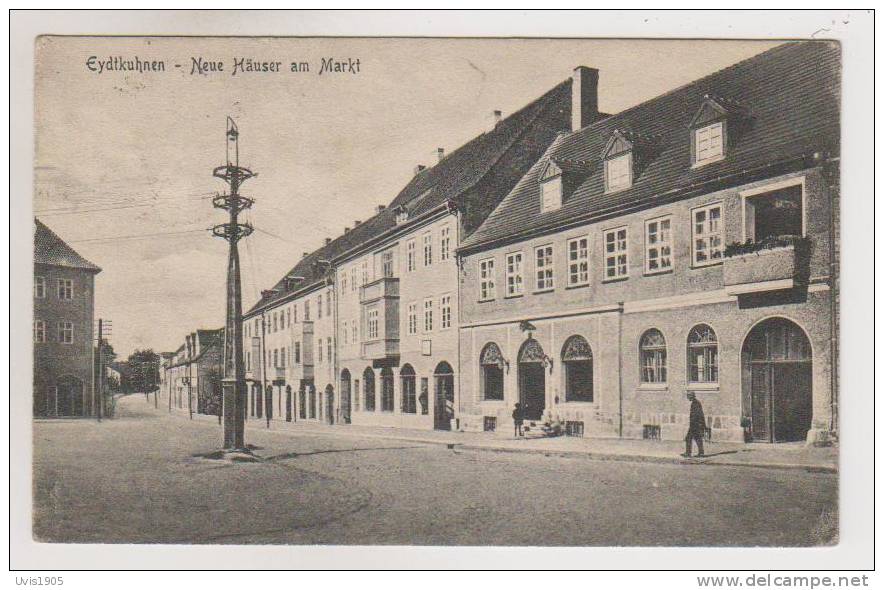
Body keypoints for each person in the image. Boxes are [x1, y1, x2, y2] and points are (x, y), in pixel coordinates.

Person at [682, 391, 706, 458]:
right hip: (696, 424)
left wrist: (698, 425)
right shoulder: (695, 403)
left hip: (695, 425)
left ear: (691, 396)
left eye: (688, 396)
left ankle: (688, 453)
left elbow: (698, 415)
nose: (687, 397)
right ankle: (701, 453)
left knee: (688, 438)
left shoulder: (695, 403)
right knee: (697, 438)